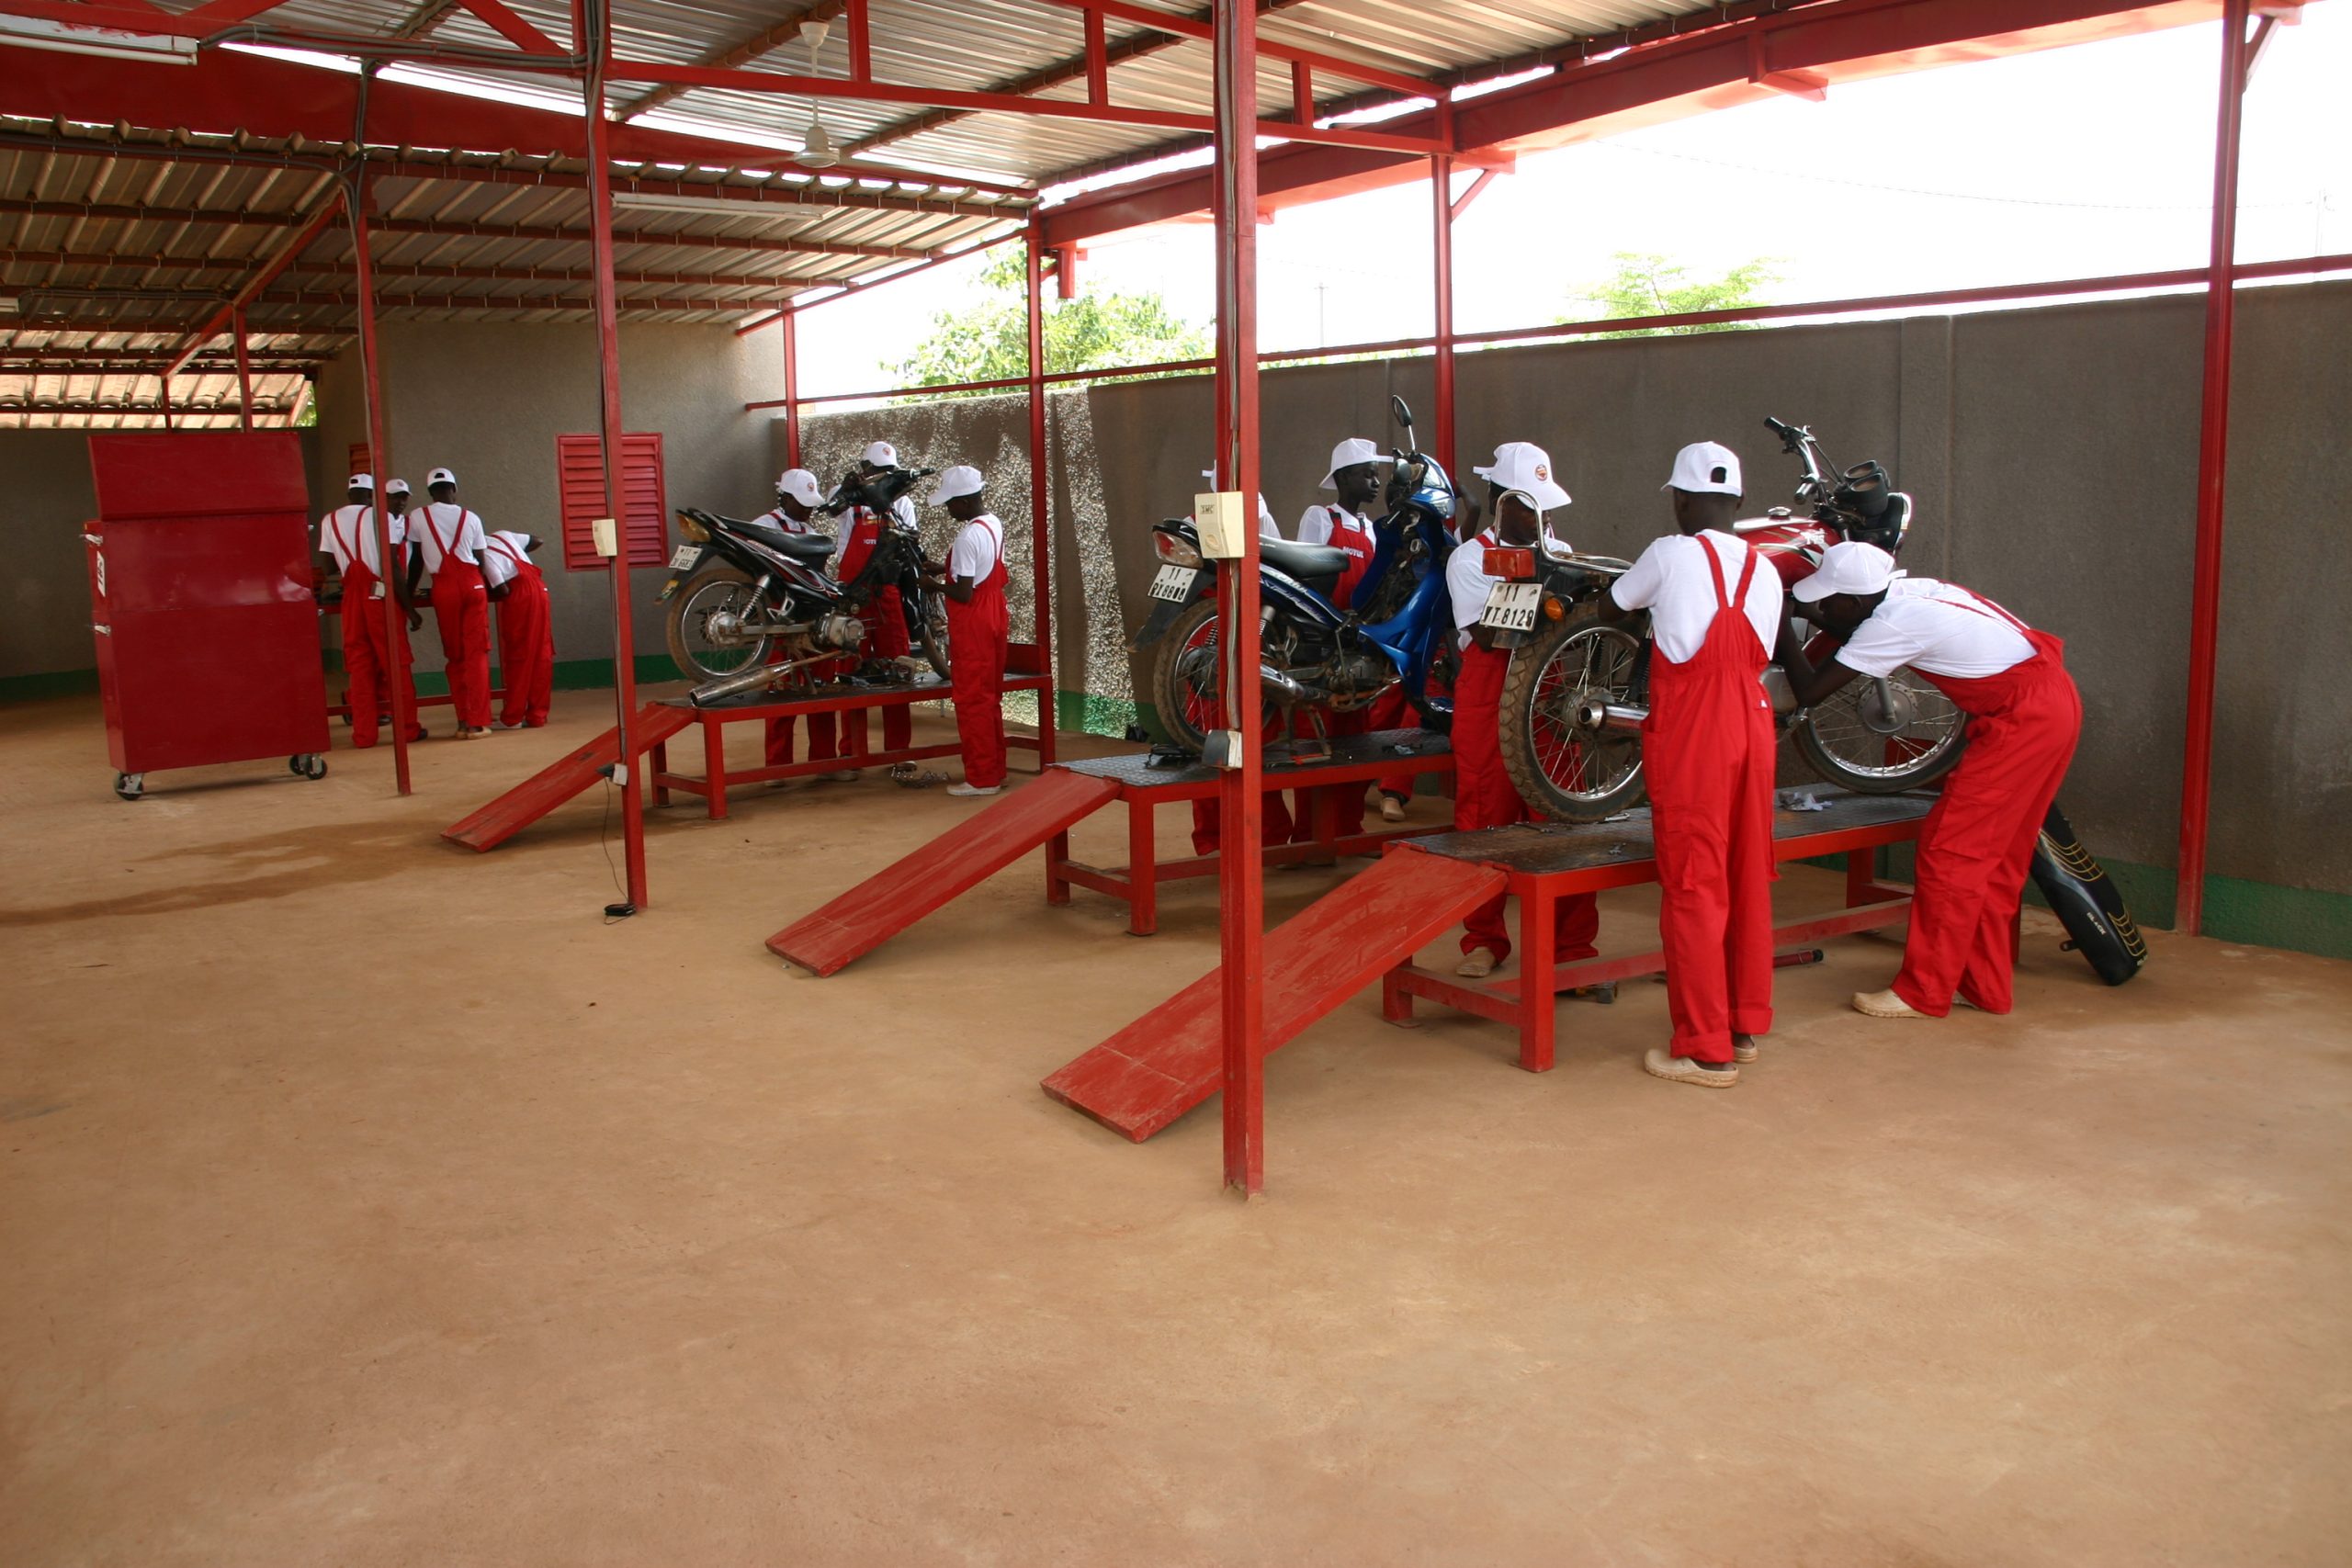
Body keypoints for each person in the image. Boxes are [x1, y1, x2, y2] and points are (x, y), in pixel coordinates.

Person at [1782, 541, 2084, 1019]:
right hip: (2052, 703)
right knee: (1996, 861)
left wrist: (1782, 626)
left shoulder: (1893, 623)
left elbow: (1810, 691)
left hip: (2021, 721)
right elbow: (1856, 629)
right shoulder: (1913, 592)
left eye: (1827, 601)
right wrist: (1814, 615)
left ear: (1856, 600)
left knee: (1951, 852)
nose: (1822, 609)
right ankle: (1982, 985)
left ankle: (1923, 991)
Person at [1600, 442, 1781, 1088]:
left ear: (1680, 499)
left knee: (1694, 883)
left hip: (1697, 729)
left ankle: (1705, 1049)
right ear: (1738, 500)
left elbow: (1613, 607)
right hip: (1755, 722)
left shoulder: (1669, 553)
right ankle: (1742, 1025)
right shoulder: (1766, 568)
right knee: (1746, 874)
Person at [1448, 443, 1600, 979]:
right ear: (1501, 502)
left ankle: (1572, 947)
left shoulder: (1560, 549)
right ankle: (1483, 940)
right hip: (1489, 689)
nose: (1545, 518)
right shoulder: (1469, 559)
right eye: (1532, 507)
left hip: (1549, 691)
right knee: (1483, 817)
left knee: (1561, 814)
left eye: (1548, 507)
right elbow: (1487, 635)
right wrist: (1547, 591)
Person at [1187, 481, 1295, 855]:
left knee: (1235, 743)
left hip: (1239, 634)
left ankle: (1250, 838)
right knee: (1221, 742)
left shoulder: (1252, 516)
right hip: (1219, 636)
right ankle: (1239, 838)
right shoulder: (1200, 523)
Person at [1288, 437, 1385, 844]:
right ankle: (1309, 838)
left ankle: (1348, 831)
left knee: (1355, 742)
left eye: (1376, 475)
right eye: (1367, 474)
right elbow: (1301, 576)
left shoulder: (1372, 530)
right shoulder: (1321, 517)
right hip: (1321, 647)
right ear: (1344, 478)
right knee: (1316, 743)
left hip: (1357, 649)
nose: (1376, 482)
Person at [313, 473, 424, 750]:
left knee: (359, 668)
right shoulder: (381, 518)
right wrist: (410, 608)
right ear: (373, 495)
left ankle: (364, 735)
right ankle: (408, 729)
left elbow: (328, 567)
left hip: (352, 599)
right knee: (396, 664)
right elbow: (393, 567)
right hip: (380, 597)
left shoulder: (330, 520)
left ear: (349, 494)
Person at [757, 468, 854, 781]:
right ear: (785, 498)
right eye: (802, 503)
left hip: (813, 617)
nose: (808, 509)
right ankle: (777, 767)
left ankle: (824, 762)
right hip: (780, 616)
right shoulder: (764, 527)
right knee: (782, 689)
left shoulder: (809, 529)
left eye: (811, 504)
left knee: (821, 687)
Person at [830, 439, 918, 766]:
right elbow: (832, 507)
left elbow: (911, 540)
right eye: (877, 471)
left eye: (888, 472)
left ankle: (899, 752)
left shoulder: (902, 502)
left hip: (887, 593)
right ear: (864, 469)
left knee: (897, 668)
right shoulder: (848, 499)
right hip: (851, 596)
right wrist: (849, 489)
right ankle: (851, 753)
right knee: (849, 670)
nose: (883, 477)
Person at [926, 465, 1011, 798]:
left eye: (950, 503)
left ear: (963, 501)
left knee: (971, 699)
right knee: (989, 697)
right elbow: (981, 569)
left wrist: (932, 584)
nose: (948, 509)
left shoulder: (965, 537)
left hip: (973, 620)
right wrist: (943, 568)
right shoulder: (993, 523)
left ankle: (981, 778)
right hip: (994, 612)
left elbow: (963, 592)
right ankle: (996, 770)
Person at [404, 467, 494, 739]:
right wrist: (488, 587)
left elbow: (416, 560)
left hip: (443, 588)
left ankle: (463, 722)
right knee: (476, 655)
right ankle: (478, 723)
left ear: (430, 492)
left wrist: (408, 595)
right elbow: (481, 559)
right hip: (473, 583)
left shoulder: (418, 516)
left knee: (455, 656)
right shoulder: (472, 517)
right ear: (454, 489)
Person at [479, 528, 554, 729]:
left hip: (520, 596)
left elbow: (502, 589)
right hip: (540, 589)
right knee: (541, 653)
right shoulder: (503, 535)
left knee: (519, 655)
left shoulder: (484, 555)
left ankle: (512, 716)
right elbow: (538, 539)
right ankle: (537, 715)